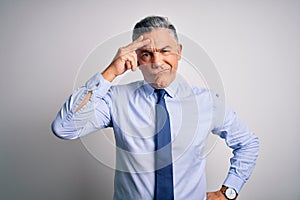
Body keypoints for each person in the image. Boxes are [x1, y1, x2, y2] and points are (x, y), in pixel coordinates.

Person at [52, 16, 259, 200]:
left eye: (165, 51)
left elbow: (248, 143)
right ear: (135, 58)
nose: (157, 62)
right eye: (146, 54)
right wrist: (110, 73)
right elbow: (64, 128)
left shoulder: (206, 102)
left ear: (179, 52)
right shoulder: (115, 99)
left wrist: (229, 191)